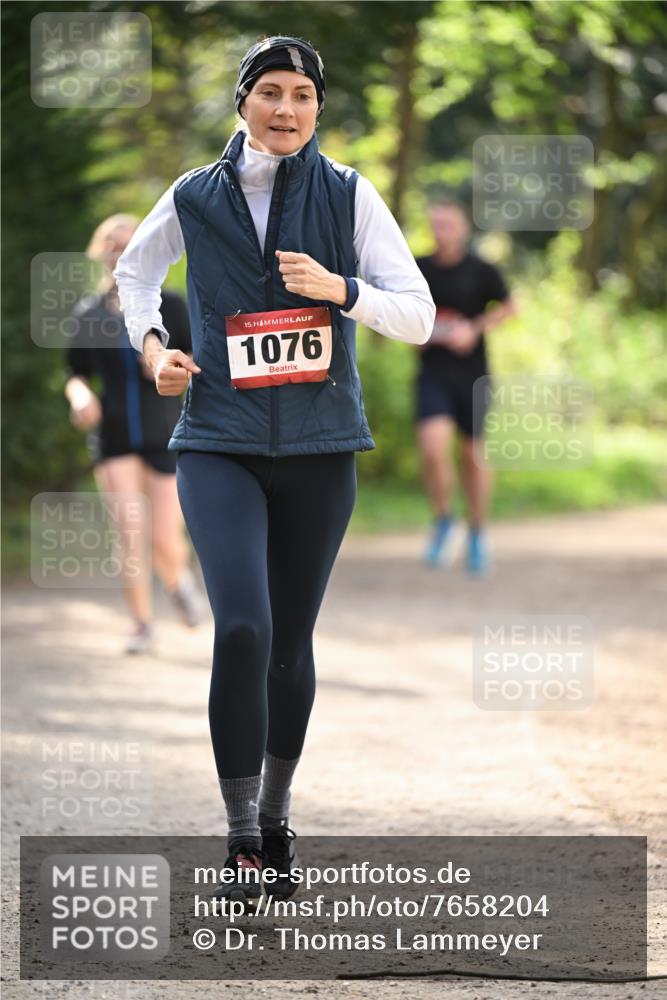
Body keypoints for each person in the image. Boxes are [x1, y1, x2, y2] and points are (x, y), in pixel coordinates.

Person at [113, 35, 434, 905]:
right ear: (243, 103)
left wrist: (342, 291)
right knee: (243, 630)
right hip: (217, 439)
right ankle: (240, 835)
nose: (285, 109)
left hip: (322, 453)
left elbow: (417, 314)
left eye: (301, 94)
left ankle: (279, 812)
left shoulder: (349, 193)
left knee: (288, 647)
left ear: (318, 108)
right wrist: (153, 351)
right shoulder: (193, 195)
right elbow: (132, 274)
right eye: (269, 93)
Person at [65, 214, 205, 654]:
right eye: (111, 243)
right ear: (100, 252)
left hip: (166, 433)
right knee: (129, 532)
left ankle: (178, 582)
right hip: (114, 437)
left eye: (128, 244)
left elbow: (200, 362)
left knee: (165, 536)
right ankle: (142, 625)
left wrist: (167, 363)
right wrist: (79, 398)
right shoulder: (88, 314)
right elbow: (76, 374)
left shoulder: (173, 305)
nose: (119, 251)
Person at [415, 200, 517, 574]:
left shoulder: (482, 270)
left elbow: (510, 306)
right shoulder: (418, 268)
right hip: (433, 373)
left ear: (463, 229)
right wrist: (415, 333)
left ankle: (477, 531)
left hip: (473, 375)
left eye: (448, 223)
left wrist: (473, 329)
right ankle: (444, 520)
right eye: (435, 223)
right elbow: (400, 307)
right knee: (433, 449)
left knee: (472, 455)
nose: (441, 230)